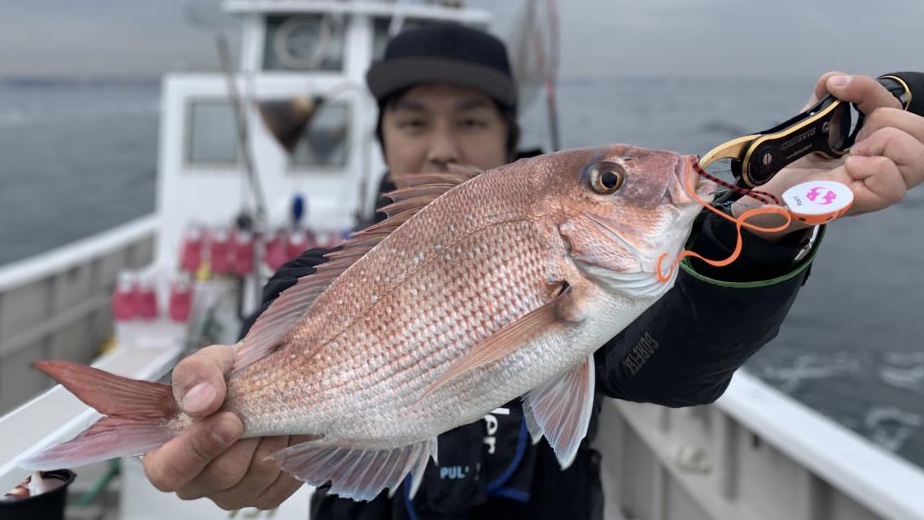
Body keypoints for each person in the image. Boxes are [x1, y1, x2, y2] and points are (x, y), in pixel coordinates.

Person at [140, 23, 924, 518]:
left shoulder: (600, 286)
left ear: (512, 140)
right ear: (381, 139)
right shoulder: (324, 269)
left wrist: (766, 233)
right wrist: (224, 391)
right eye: (413, 122)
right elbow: (277, 323)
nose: (442, 146)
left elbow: (668, 367)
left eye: (472, 120)